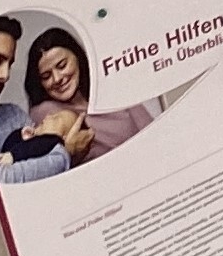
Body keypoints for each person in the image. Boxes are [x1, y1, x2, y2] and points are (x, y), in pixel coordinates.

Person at [0, 16, 86, 182]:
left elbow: (44, 149)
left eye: (9, 65)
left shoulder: (13, 115)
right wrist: (67, 153)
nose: (5, 75)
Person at [25, 26, 153, 165]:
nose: (57, 78)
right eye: (46, 76)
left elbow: (152, 131)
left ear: (77, 58)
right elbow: (48, 166)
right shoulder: (45, 112)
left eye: (62, 66)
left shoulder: (111, 88)